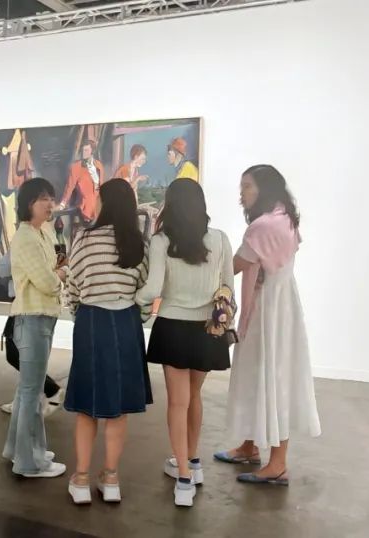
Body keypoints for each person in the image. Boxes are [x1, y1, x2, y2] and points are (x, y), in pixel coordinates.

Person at [215, 165, 321, 486]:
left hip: (268, 310)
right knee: (260, 374)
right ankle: (249, 447)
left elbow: (235, 265)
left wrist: (204, 268)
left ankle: (277, 464)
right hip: (278, 305)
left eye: (247, 186)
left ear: (264, 188)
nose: (242, 194)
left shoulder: (263, 226)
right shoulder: (284, 218)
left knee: (269, 377)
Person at [136, 178, 234, 507]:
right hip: (208, 330)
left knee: (177, 403)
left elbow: (153, 289)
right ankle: (193, 462)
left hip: (173, 327)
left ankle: (182, 477)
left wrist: (133, 298)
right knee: (194, 397)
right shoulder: (220, 239)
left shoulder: (162, 241)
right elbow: (227, 288)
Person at [64, 180, 152, 504]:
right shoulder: (138, 243)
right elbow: (144, 289)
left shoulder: (84, 238)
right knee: (118, 408)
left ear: (104, 202)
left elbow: (73, 286)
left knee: (87, 406)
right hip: (127, 323)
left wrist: (79, 311)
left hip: (91, 322)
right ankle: (111, 479)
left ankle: (81, 479)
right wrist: (137, 316)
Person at [2, 177, 69, 479]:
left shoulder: (41, 232)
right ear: (29, 203)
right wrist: (60, 276)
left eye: (51, 198)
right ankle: (30, 461)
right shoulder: (26, 237)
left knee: (27, 390)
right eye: (43, 198)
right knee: (31, 392)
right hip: (32, 318)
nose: (50, 204)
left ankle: (18, 449)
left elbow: (51, 271)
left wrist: (57, 273)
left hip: (41, 317)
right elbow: (46, 280)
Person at [58, 140, 106, 223]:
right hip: (84, 202)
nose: (84, 153)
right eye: (83, 150)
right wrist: (63, 203)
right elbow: (70, 186)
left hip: (98, 200)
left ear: (92, 151)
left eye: (86, 150)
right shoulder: (76, 167)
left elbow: (101, 185)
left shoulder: (99, 165)